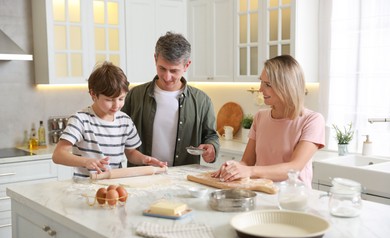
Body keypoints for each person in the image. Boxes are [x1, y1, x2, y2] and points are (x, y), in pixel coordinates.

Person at [212, 55, 325, 188]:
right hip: (262, 194)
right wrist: (233, 168)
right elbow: (247, 162)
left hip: (293, 199)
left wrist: (249, 171)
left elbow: (295, 167)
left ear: (286, 86)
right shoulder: (260, 117)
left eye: (268, 84)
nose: (260, 89)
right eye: (261, 82)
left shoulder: (312, 120)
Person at [52, 61, 167, 178]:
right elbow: (58, 155)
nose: (116, 105)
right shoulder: (80, 120)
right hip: (86, 187)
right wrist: (86, 162)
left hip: (115, 185)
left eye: (121, 98)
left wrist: (144, 159)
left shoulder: (125, 121)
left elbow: (131, 153)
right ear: (93, 94)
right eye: (109, 100)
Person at [122, 32, 219, 166]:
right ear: (155, 59)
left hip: (183, 179)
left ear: (187, 65)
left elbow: (211, 136)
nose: (167, 77)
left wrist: (211, 148)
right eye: (162, 68)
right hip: (141, 176)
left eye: (174, 71)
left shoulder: (202, 101)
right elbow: (119, 131)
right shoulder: (135, 95)